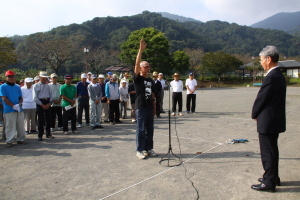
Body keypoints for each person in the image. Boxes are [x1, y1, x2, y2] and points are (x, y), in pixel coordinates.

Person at [251, 46, 286, 192]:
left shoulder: (272, 76)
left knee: (267, 151)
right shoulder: (278, 75)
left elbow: (261, 99)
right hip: (274, 119)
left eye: (261, 60)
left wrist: (254, 114)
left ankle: (269, 182)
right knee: (272, 149)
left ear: (268, 59)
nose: (261, 63)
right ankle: (273, 176)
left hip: (268, 120)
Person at [134, 39, 157, 160]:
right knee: (141, 130)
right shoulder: (138, 79)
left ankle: (148, 148)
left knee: (150, 130)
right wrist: (140, 50)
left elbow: (153, 94)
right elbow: (136, 65)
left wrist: (154, 107)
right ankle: (139, 150)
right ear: (141, 68)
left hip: (149, 107)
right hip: (141, 107)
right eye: (146, 66)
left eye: (149, 67)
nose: (148, 68)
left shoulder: (150, 80)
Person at [1, 70, 27, 147]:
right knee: (10, 126)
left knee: (20, 125)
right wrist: (13, 105)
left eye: (12, 76)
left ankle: (21, 139)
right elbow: (4, 98)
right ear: (6, 77)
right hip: (9, 109)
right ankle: (10, 140)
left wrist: (19, 104)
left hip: (19, 109)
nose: (11, 78)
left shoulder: (17, 87)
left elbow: (20, 97)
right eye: (9, 77)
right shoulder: (3, 86)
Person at [33, 71, 53, 141]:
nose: (45, 79)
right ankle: (40, 135)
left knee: (48, 119)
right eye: (43, 78)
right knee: (41, 120)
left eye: (45, 78)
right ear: (40, 77)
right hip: (40, 102)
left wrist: (49, 103)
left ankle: (48, 133)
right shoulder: (36, 85)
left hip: (47, 101)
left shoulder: (48, 86)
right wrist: (41, 104)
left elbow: (51, 95)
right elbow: (35, 97)